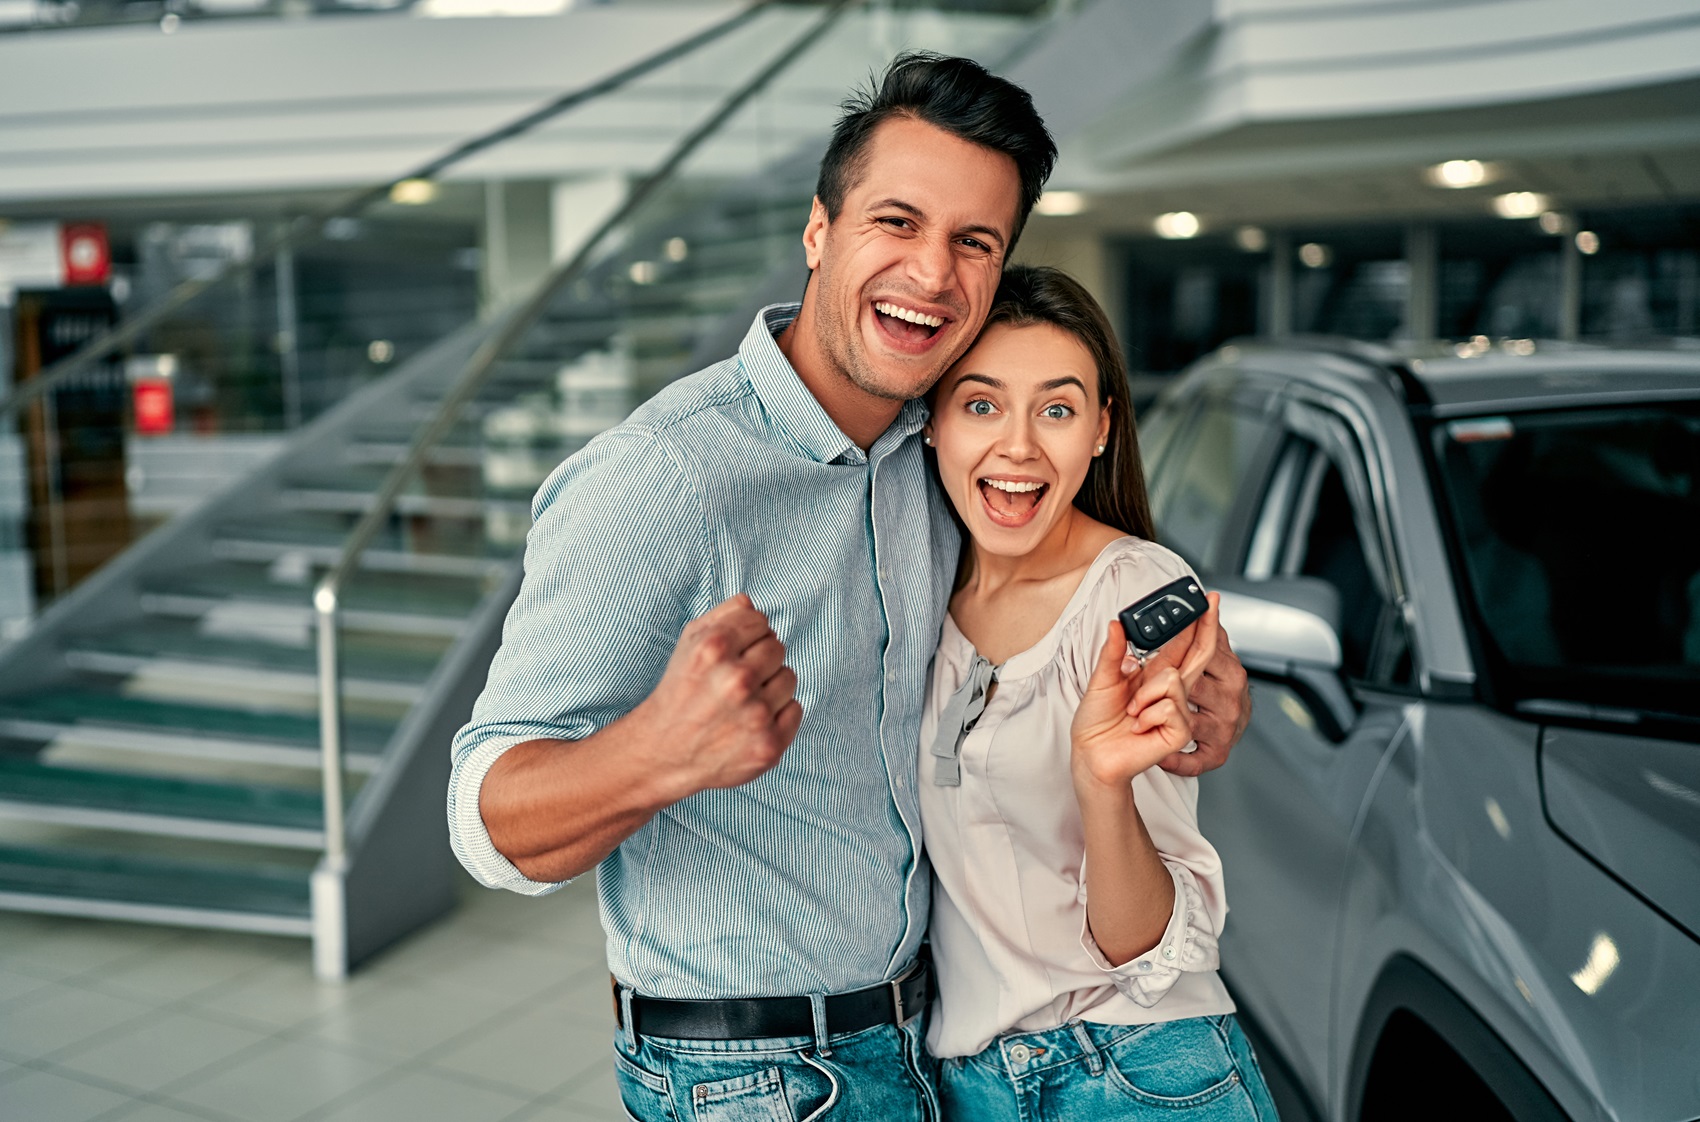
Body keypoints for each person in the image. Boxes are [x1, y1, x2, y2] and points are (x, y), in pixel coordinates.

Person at [448, 53, 1251, 1122]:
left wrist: (1196, 701)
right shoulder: (663, 477)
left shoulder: (937, 455)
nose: (931, 274)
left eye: (974, 242)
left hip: (925, 1049)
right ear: (818, 230)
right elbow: (482, 817)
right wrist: (653, 756)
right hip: (753, 1073)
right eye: (896, 222)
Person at [918, 264, 1277, 1121]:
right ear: (930, 423)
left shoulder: (1131, 599)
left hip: (1132, 1072)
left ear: (1102, 430)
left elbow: (1145, 948)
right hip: (978, 1088)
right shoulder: (924, 584)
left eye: (1057, 408)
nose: (1017, 447)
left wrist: (1102, 783)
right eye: (980, 404)